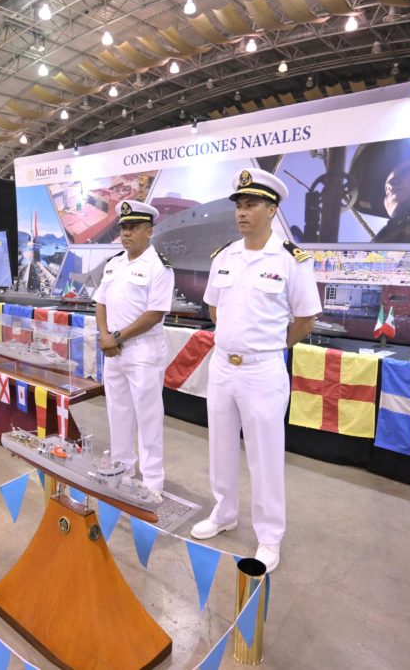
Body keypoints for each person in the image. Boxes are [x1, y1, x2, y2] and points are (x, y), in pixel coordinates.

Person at [190, 168, 322, 574]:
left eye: (251, 205)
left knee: (264, 457)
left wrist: (268, 347)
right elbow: (214, 308)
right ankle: (224, 512)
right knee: (221, 446)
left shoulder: (290, 260)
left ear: (272, 210)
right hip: (222, 367)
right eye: (239, 206)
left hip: (262, 371)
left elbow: (305, 319)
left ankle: (269, 537)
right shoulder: (225, 256)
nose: (242, 213)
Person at [93, 200, 175, 493]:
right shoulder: (114, 263)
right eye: (123, 227)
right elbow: (100, 302)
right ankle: (122, 470)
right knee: (118, 413)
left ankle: (152, 482)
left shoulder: (159, 267)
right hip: (113, 351)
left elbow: (155, 314)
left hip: (142, 352)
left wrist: (116, 338)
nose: (126, 233)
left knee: (148, 418)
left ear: (149, 231)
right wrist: (105, 336)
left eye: (133, 227)